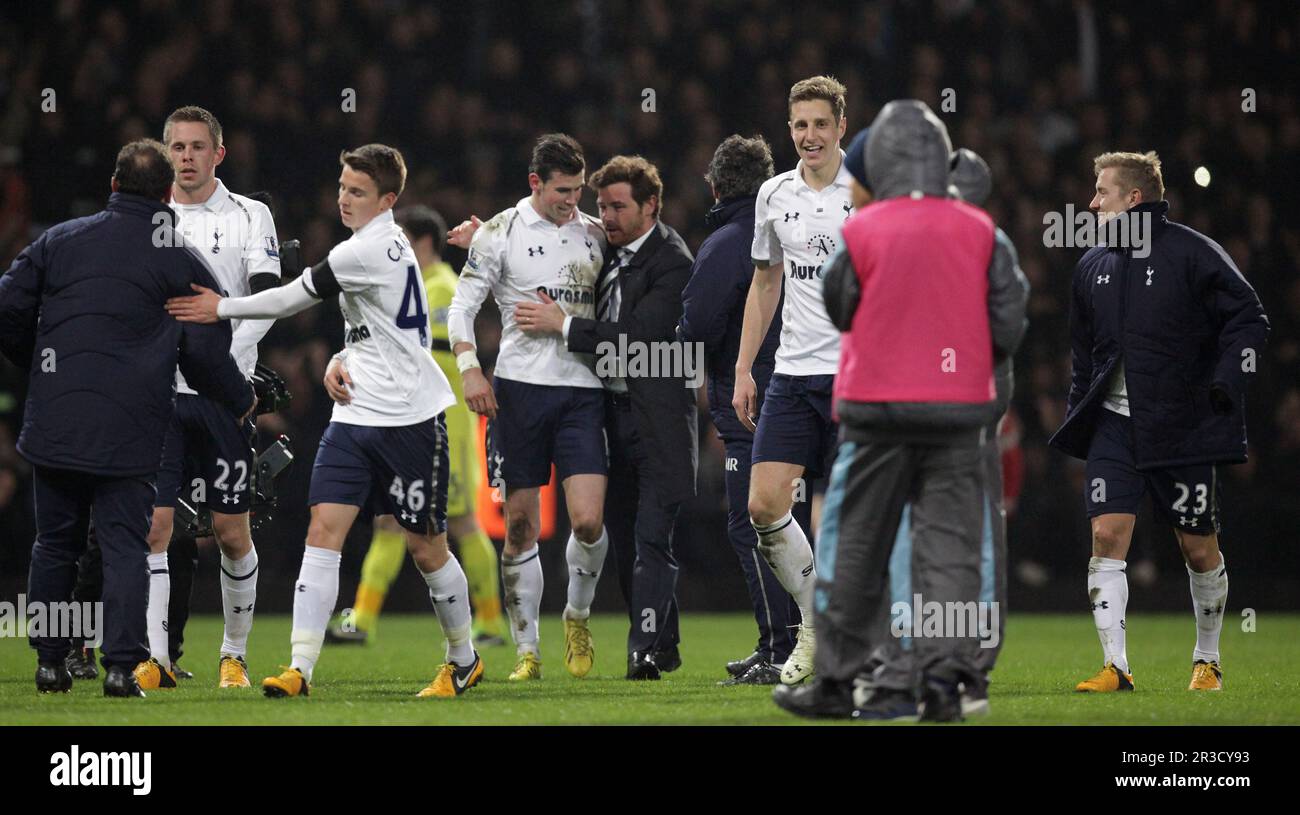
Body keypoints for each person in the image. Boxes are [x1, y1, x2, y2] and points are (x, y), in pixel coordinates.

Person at [166, 144, 483, 699]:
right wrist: (341, 359)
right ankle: (301, 668)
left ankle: (464, 659)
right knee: (322, 530)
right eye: (341, 187)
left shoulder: (369, 249)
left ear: (388, 200)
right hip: (355, 415)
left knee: (426, 547)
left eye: (357, 191)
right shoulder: (375, 246)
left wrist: (222, 307)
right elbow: (377, 326)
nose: (343, 198)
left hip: (408, 418)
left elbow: (289, 299)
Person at [776, 100, 1028, 721]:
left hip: (875, 412)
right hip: (959, 418)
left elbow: (839, 306)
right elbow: (1008, 323)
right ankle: (945, 684)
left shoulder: (862, 229)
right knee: (950, 554)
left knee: (853, 545)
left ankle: (835, 682)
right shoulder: (979, 230)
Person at [0, 139, 255, 697]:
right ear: (167, 193)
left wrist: (37, 364)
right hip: (133, 426)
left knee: (55, 544)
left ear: (113, 185)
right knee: (124, 546)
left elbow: (9, 305)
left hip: (58, 422)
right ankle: (120, 668)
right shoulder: (177, 257)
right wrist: (240, 399)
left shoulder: (59, 240)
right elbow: (207, 351)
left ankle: (50, 664)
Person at [1048, 151, 1269, 693]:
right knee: (1106, 535)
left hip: (1180, 426)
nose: (1092, 203)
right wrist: (1082, 412)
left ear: (1134, 199)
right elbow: (1084, 354)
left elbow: (1249, 318)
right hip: (1115, 428)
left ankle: (1208, 659)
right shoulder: (1092, 265)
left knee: (1198, 547)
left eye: (1102, 193)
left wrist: (1226, 381)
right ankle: (1115, 668)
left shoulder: (1193, 253)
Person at [516, 155, 697, 679]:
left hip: (658, 422)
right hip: (611, 417)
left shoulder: (672, 263)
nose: (608, 216)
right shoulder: (608, 250)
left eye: (619, 206)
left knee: (651, 540)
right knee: (622, 539)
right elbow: (557, 237)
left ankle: (641, 650)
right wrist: (496, 234)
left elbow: (639, 342)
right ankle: (664, 644)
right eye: (603, 205)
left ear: (651, 206)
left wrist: (565, 326)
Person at [128, 106, 283, 691]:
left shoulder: (250, 215)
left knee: (231, 532)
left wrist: (219, 369)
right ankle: (158, 659)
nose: (185, 157)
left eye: (197, 147)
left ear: (218, 153)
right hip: (160, 397)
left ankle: (233, 655)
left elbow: (267, 299)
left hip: (224, 398)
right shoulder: (149, 217)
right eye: (176, 147)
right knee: (155, 528)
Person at [446, 134, 610, 682]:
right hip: (520, 392)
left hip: (584, 391)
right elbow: (461, 309)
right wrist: (470, 367)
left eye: (579, 189)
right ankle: (527, 651)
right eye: (562, 191)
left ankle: (577, 616)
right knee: (520, 526)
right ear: (535, 183)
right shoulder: (498, 233)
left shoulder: (594, 233)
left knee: (587, 521)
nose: (572, 201)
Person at [324, 205, 505, 647]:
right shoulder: (419, 284)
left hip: (448, 424)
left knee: (460, 523)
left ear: (421, 241)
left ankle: (489, 623)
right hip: (407, 420)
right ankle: (361, 619)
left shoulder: (441, 286)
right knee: (390, 521)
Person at [731, 76, 854, 685]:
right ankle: (817, 621)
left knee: (835, 525)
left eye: (820, 124)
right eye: (799, 125)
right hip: (791, 375)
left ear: (840, 128)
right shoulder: (773, 194)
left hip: (854, 380)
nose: (809, 135)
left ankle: (824, 640)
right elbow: (765, 282)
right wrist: (743, 366)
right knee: (762, 506)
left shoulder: (868, 193)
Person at [679, 134, 799, 685]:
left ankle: (781, 647)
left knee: (752, 523)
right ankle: (787, 643)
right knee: (789, 523)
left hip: (751, 399)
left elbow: (699, 325)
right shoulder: (789, 227)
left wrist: (682, 331)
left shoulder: (728, 241)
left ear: (715, 184)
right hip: (798, 393)